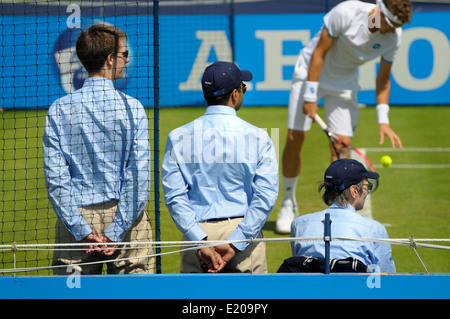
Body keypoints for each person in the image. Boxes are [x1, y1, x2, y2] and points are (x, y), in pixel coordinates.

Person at [275, 0, 412, 233]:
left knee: (341, 150)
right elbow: (319, 53)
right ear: (379, 9)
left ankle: (336, 213)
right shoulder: (346, 12)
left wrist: (384, 119)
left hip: (344, 84)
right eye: (388, 23)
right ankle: (288, 202)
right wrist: (310, 96)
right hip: (310, 74)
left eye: (396, 26)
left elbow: (383, 80)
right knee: (294, 137)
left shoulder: (393, 37)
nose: (391, 30)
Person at [43, 24, 154, 275]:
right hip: (127, 218)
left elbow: (56, 180)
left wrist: (80, 230)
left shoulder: (59, 110)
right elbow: (138, 177)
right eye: (124, 55)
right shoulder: (133, 108)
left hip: (76, 217)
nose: (127, 60)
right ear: (110, 59)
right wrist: (117, 230)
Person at [162, 61, 279, 273]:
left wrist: (199, 240)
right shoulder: (259, 137)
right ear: (235, 94)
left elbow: (174, 196)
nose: (243, 91)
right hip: (244, 233)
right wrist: (237, 241)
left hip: (196, 234)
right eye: (243, 87)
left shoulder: (177, 137)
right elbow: (266, 195)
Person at [289, 159, 396, 273]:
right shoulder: (375, 230)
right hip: (356, 289)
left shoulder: (298, 225)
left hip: (310, 290)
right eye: (367, 186)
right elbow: (387, 279)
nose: (367, 192)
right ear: (354, 190)